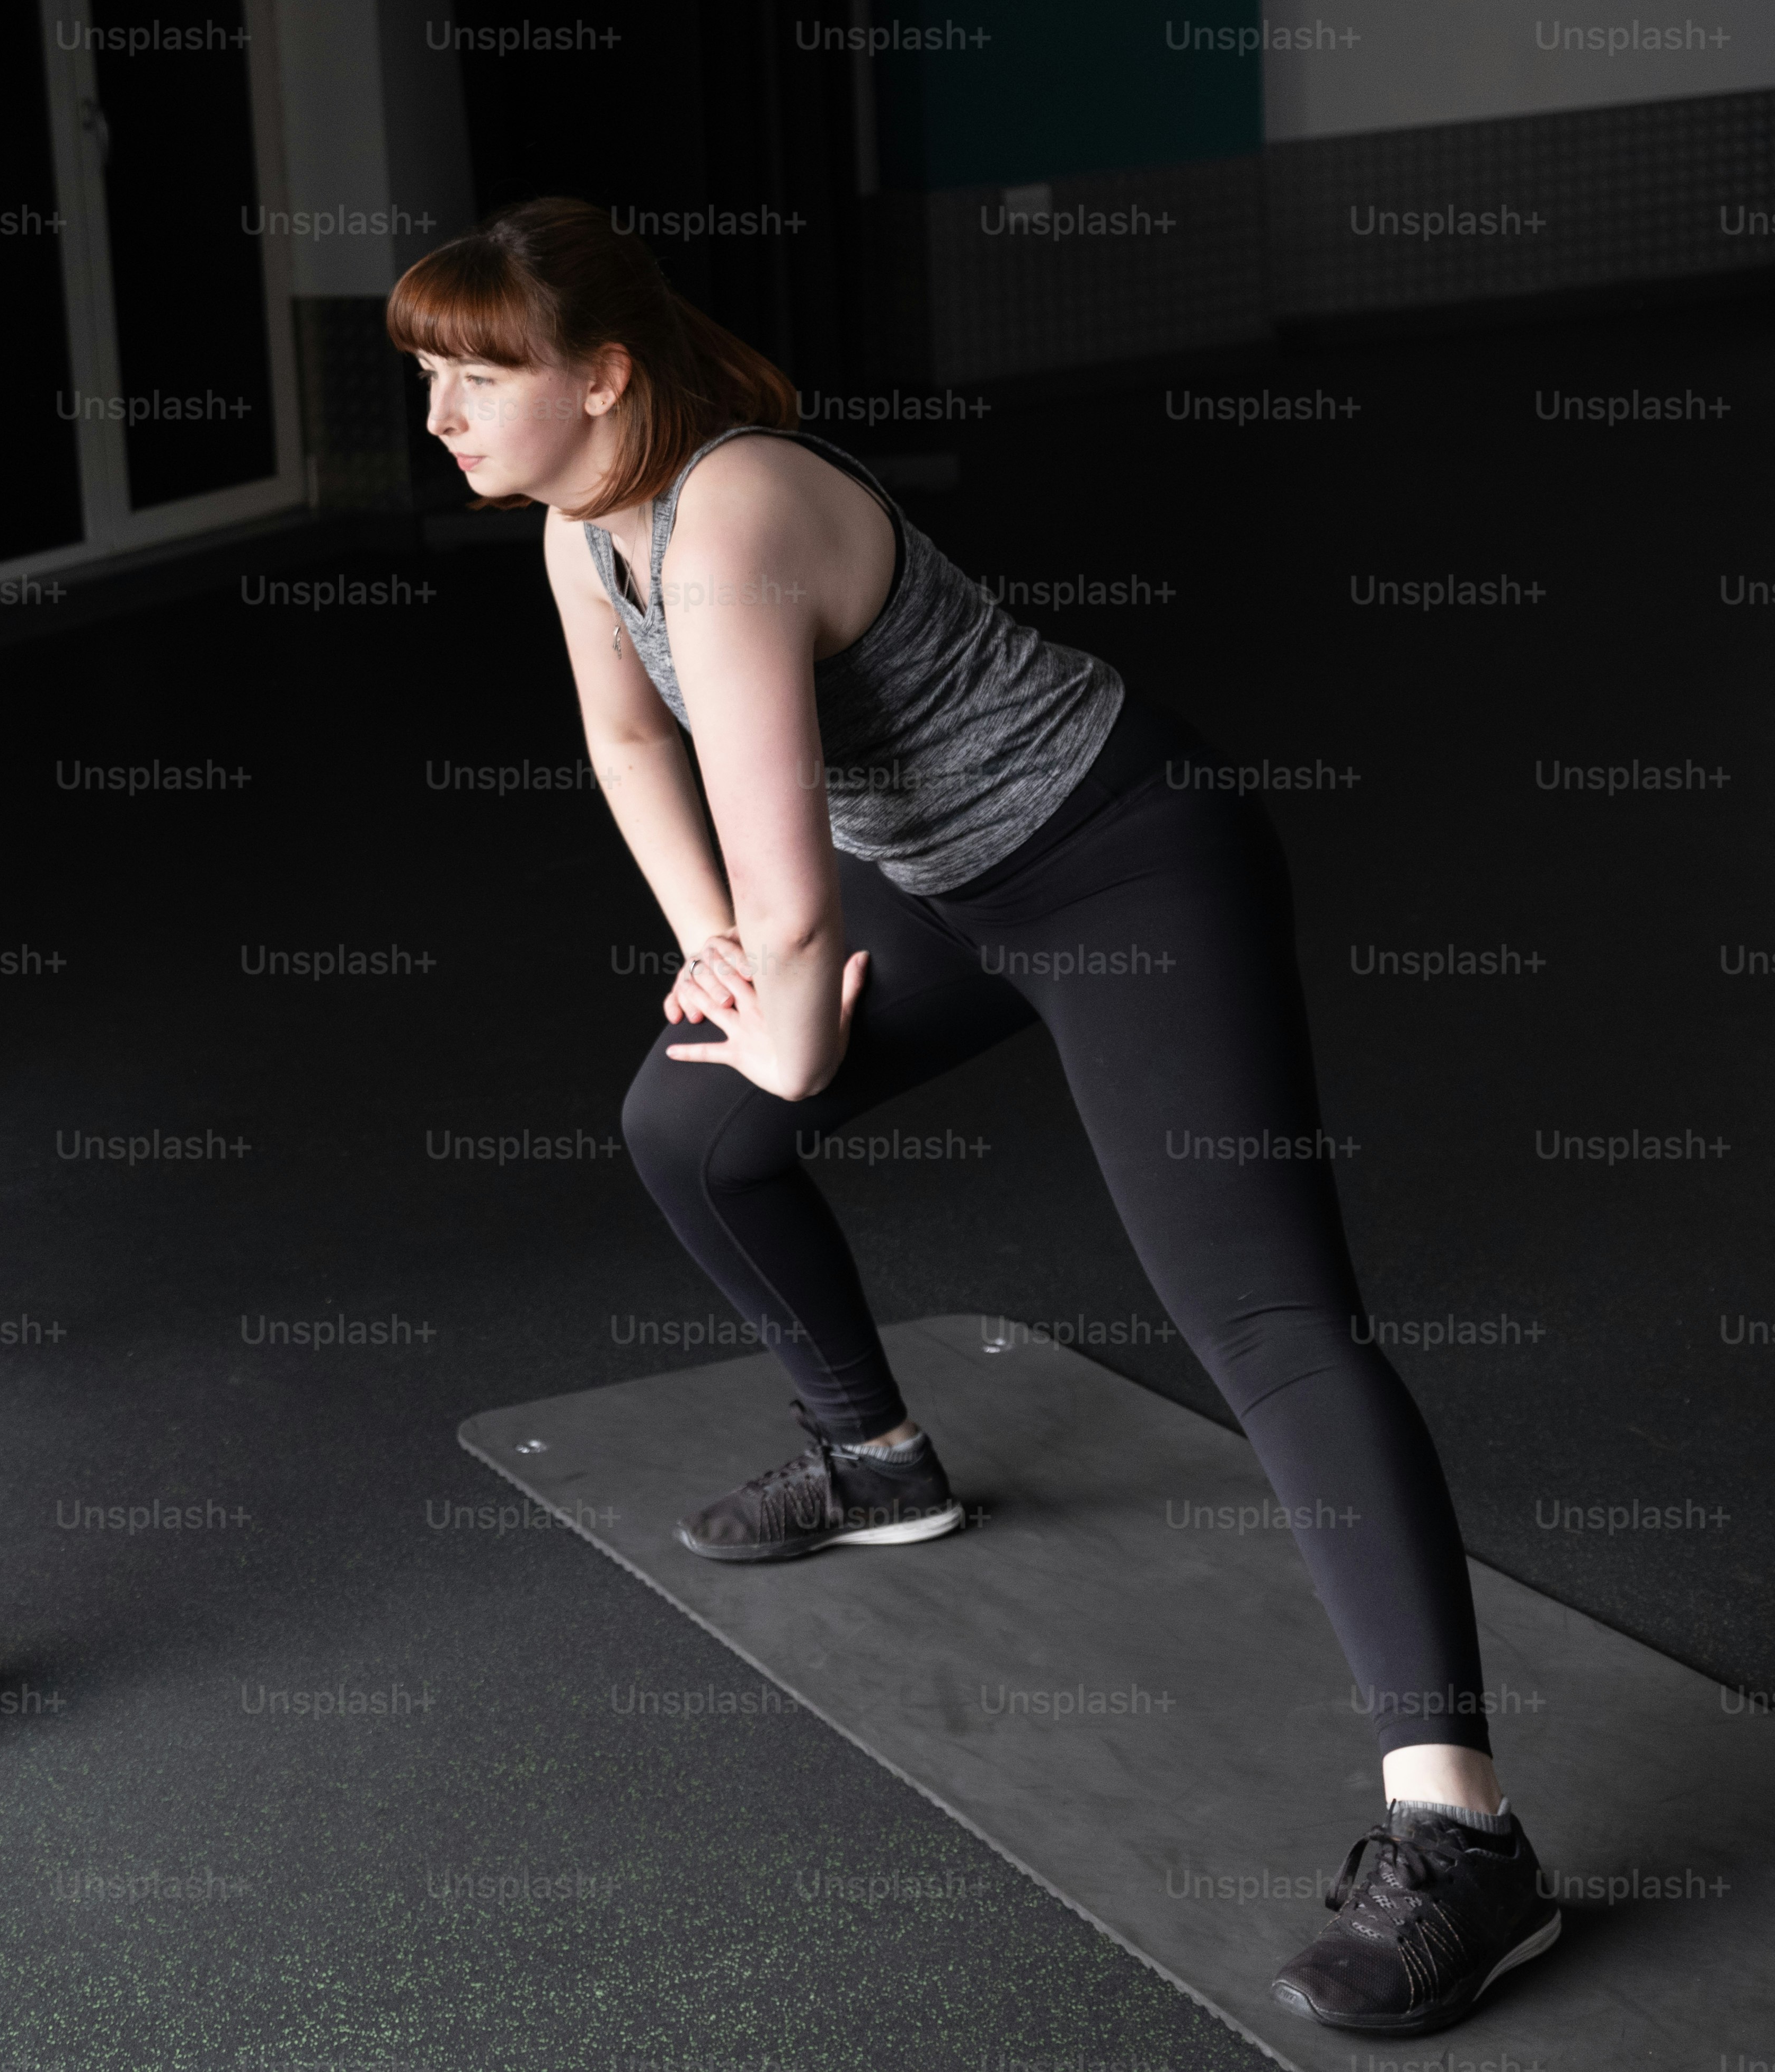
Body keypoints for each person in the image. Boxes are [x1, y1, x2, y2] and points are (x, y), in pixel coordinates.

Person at [389, 197, 1560, 2037]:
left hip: (1120, 866)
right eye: (433, 378)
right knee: (688, 1129)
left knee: (1269, 1324)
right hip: (938, 883)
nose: (443, 414)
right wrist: (711, 949)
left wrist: (774, 996)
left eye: (478, 375)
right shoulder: (579, 533)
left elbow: (794, 918)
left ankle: (1466, 1842)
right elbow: (636, 751)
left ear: (604, 376)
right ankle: (874, 1458)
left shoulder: (736, 516)